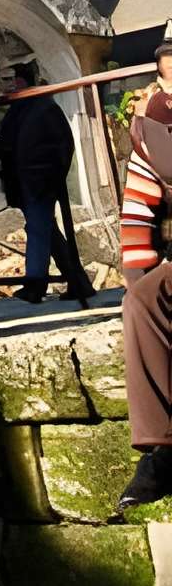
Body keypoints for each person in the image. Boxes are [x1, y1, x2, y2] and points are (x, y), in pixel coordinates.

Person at [115, 42, 172, 506]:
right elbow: (137, 214)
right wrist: (140, 277)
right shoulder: (153, 131)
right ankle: (161, 448)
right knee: (141, 301)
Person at [0, 63, 90, 306]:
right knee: (46, 231)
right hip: (30, 180)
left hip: (38, 180)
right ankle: (79, 284)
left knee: (38, 229)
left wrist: (51, 176)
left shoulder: (40, 106)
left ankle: (35, 286)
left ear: (23, 81)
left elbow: (62, 146)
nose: (8, 85)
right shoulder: (27, 107)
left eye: (11, 79)